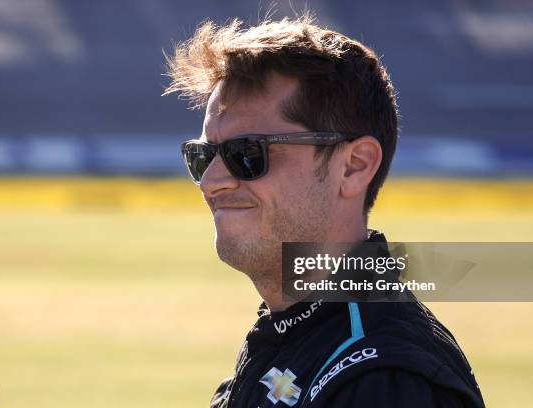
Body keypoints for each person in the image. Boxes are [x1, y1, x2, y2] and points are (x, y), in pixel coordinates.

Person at [164, 15, 485, 408]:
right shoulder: (288, 340)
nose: (211, 182)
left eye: (247, 154)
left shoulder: (384, 378)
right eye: (203, 156)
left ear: (354, 166)